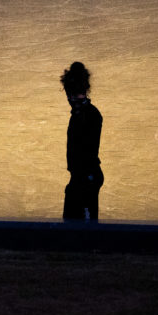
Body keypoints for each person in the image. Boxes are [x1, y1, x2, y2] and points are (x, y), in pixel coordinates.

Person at [61, 61, 104, 221]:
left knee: (79, 225)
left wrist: (85, 177)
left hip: (85, 177)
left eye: (75, 93)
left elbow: (88, 150)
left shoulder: (87, 115)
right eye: (70, 93)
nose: (71, 98)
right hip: (83, 176)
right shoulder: (82, 114)